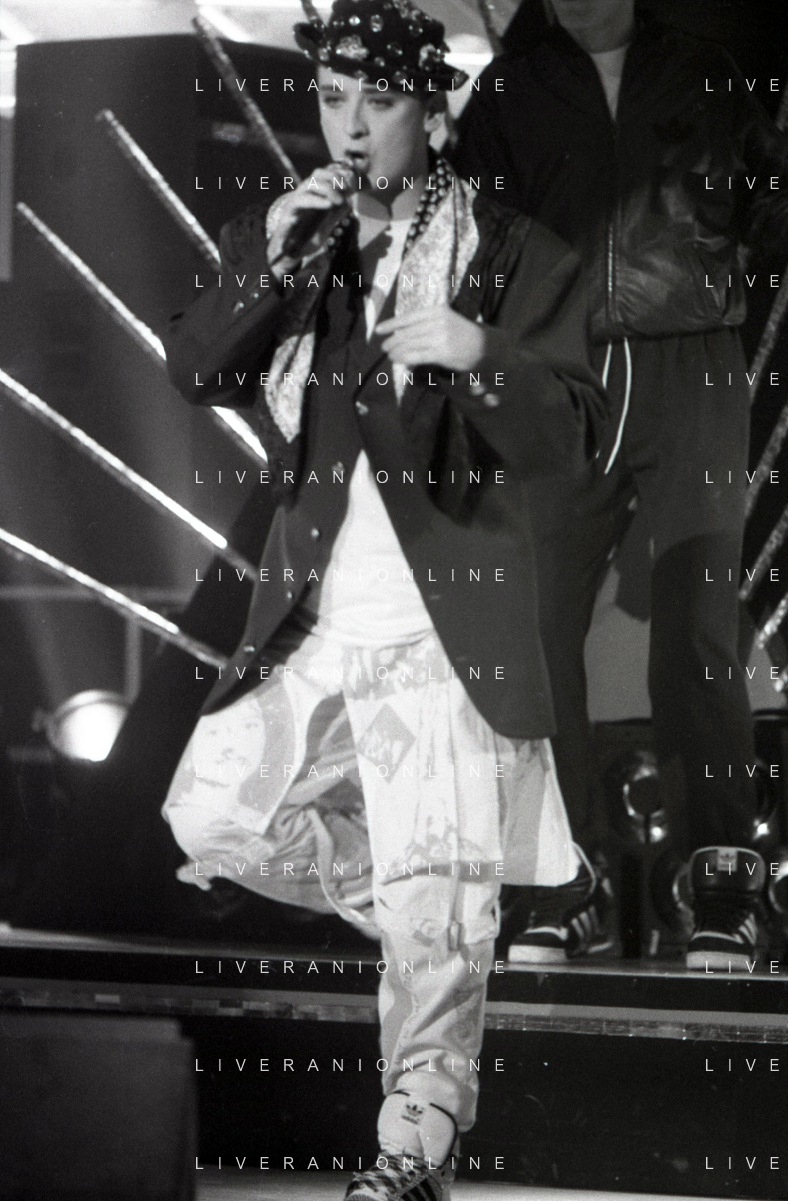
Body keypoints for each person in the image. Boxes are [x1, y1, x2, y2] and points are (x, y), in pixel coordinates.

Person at [161, 0, 606, 1195]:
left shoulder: (507, 252)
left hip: (440, 618)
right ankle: (450, 906)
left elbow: (570, 439)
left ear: (434, 115)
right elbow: (196, 368)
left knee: (432, 897)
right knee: (214, 819)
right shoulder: (296, 239)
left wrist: (479, 352)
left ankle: (411, 1150)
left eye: (380, 100)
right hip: (310, 612)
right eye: (330, 98)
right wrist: (262, 258)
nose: (350, 127)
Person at [453, 0, 788, 970]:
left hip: (692, 363)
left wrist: (732, 234)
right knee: (535, 629)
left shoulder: (703, 74)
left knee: (696, 630)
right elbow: (471, 236)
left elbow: (772, 205)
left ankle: (722, 885)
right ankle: (559, 881)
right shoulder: (509, 91)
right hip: (558, 375)